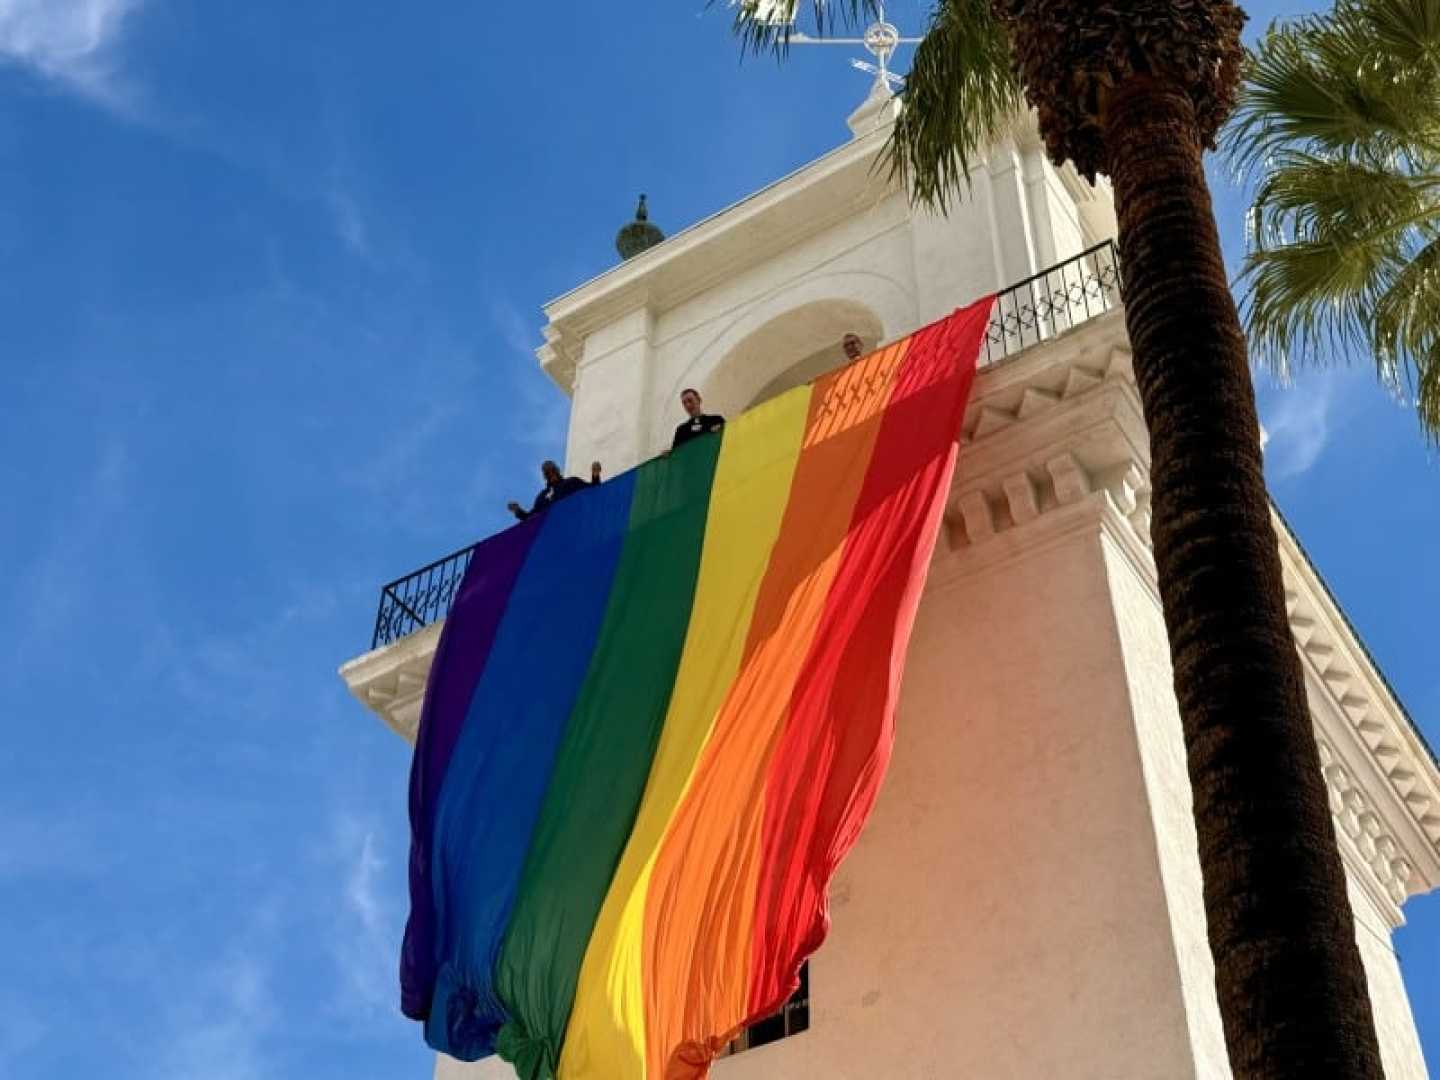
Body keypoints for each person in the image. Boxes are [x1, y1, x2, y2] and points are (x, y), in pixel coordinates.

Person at [508, 459, 601, 521]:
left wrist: (595, 475)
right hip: (553, 532)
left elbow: (593, 491)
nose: (551, 474)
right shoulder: (541, 497)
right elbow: (530, 518)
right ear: (545, 475)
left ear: (557, 470)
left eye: (552, 470)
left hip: (573, 521)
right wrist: (518, 511)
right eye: (548, 472)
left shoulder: (572, 482)